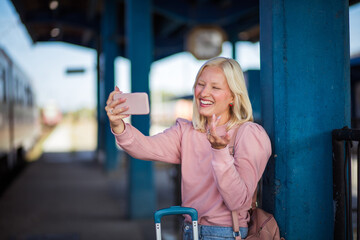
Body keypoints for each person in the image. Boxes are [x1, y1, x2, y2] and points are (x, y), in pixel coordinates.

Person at [105, 57, 271, 239]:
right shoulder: (187, 132)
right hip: (189, 230)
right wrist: (118, 125)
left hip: (226, 233)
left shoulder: (249, 134)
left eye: (215, 87)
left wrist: (219, 151)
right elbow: (144, 147)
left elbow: (237, 201)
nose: (204, 93)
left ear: (232, 95)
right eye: (201, 84)